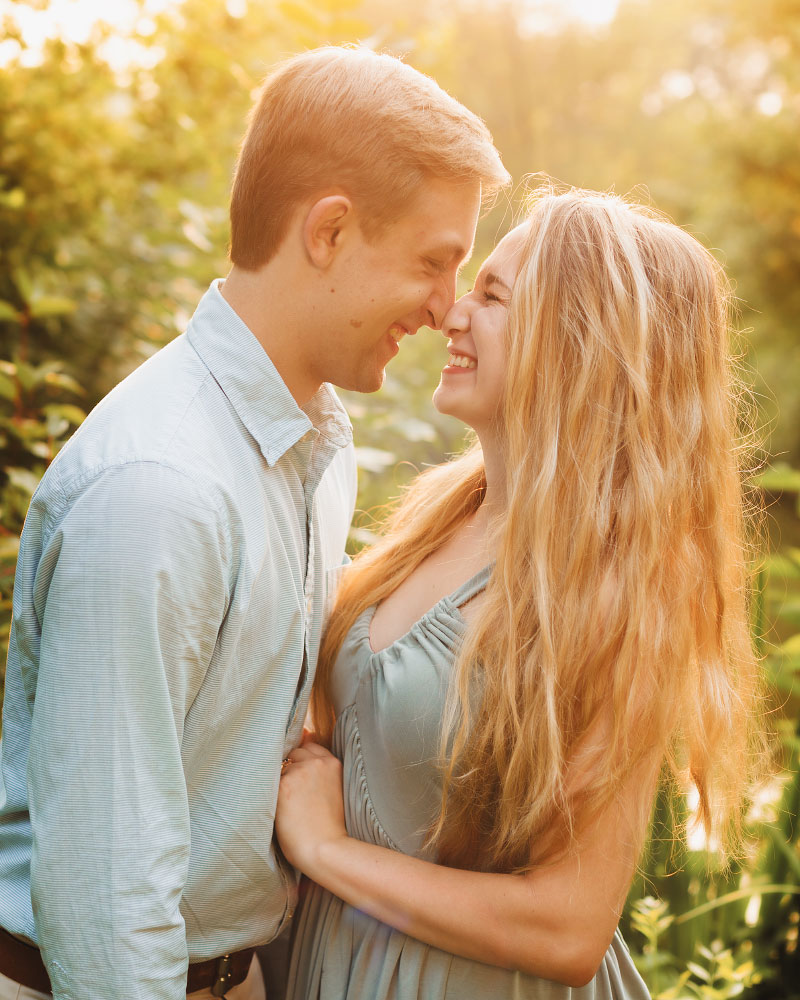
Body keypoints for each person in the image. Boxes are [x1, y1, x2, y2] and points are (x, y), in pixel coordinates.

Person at [0, 46, 509, 1000]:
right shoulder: (160, 490)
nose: (449, 307)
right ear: (329, 230)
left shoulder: (312, 444)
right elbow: (105, 895)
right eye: (434, 263)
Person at [275, 187, 767, 999]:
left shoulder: (622, 582)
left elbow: (569, 927)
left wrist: (327, 853)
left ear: (579, 341)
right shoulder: (444, 511)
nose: (451, 316)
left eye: (493, 297)